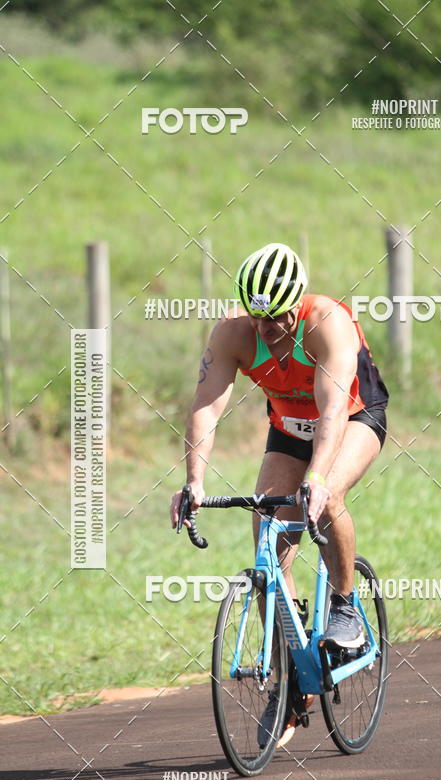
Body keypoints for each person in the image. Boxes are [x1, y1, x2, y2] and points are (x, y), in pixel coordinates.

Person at [170, 242, 389, 745]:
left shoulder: (327, 323)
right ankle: (288, 677)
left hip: (353, 416)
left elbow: (332, 412)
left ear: (298, 302)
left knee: (327, 494)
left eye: (277, 317)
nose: (265, 327)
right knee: (267, 530)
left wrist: (316, 477)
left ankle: (345, 606)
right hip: (289, 426)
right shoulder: (233, 334)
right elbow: (206, 407)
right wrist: (194, 482)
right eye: (257, 315)